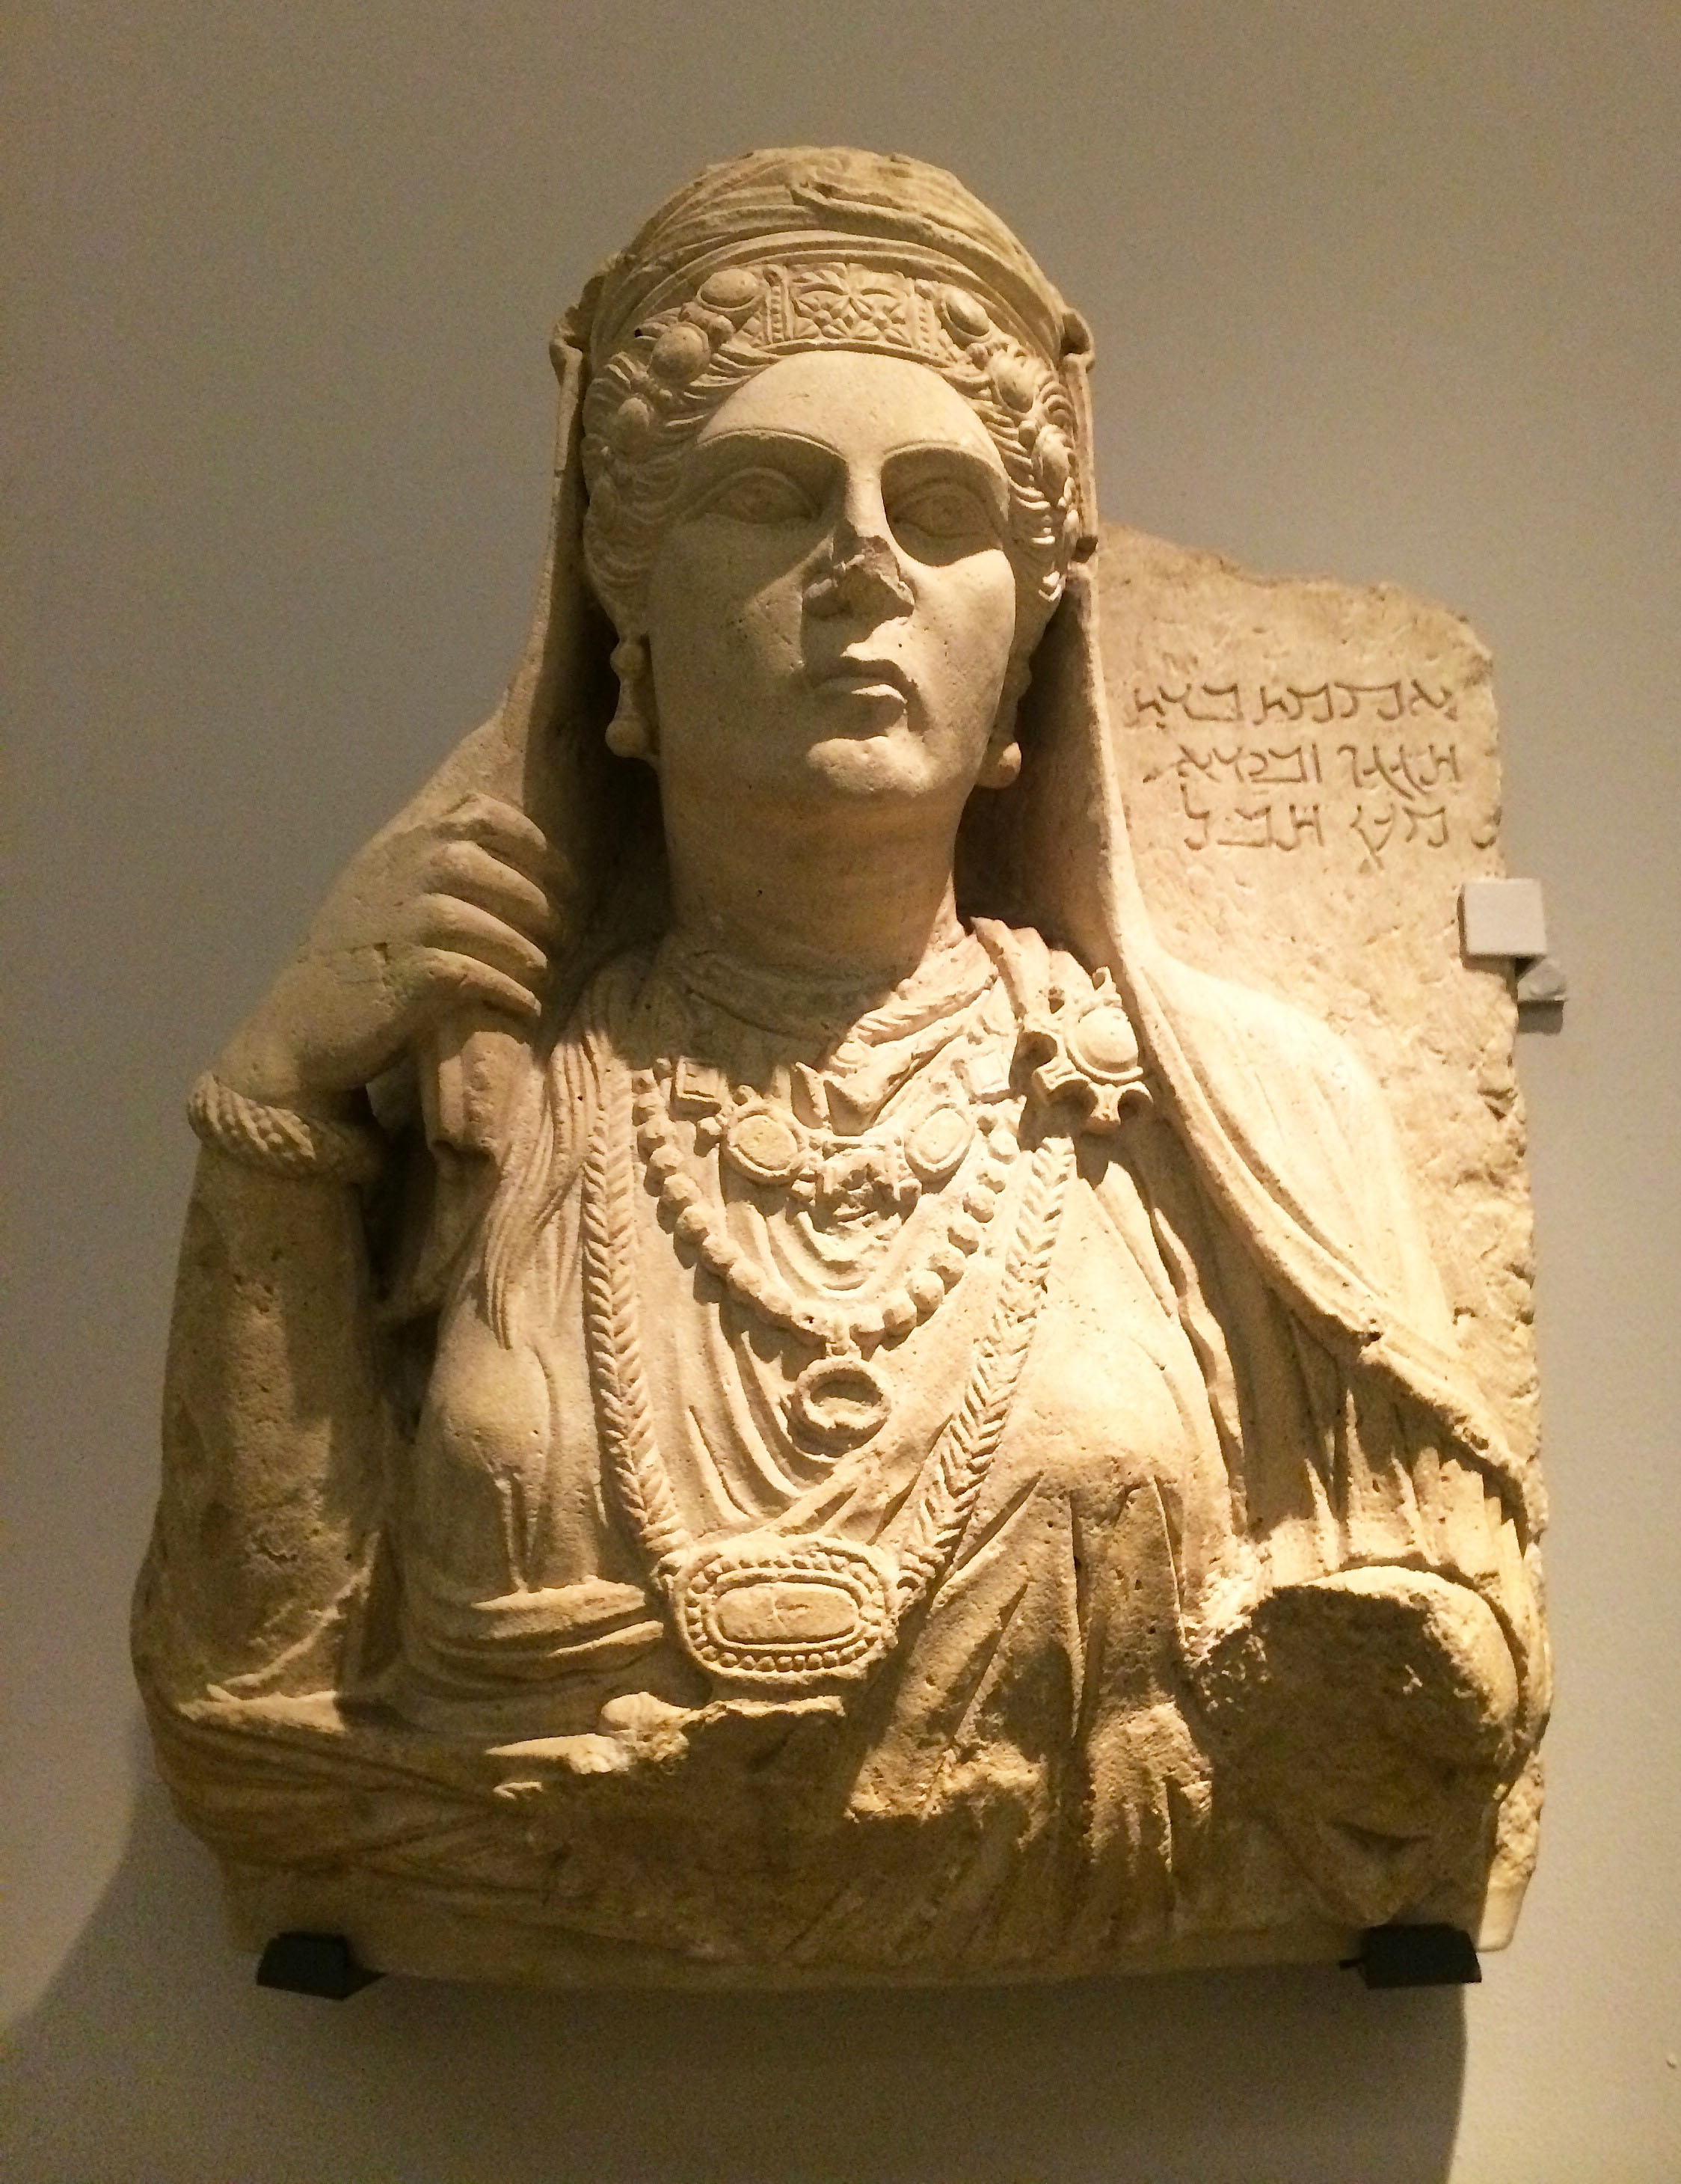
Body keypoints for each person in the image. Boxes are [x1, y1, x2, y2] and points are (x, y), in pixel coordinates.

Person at [135, 149, 1549, 1984]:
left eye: (941, 510)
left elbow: (1435, 1712)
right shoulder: (487, 1119)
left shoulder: (1251, 1118)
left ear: (1024, 649)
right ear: (627, 623)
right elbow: (259, 1716)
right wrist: (277, 1108)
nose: (861, 562)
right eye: (766, 495)